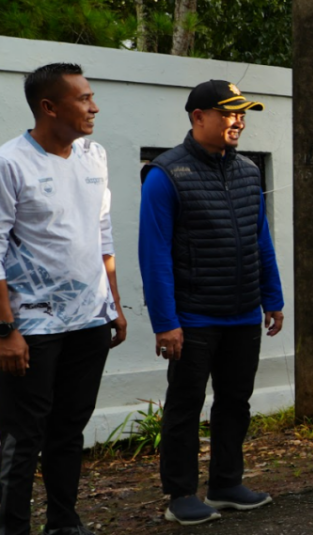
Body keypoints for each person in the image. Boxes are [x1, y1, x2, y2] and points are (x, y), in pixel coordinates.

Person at [139, 80, 283, 524]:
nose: (238, 120)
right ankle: (179, 494)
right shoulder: (166, 174)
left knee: (235, 402)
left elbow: (260, 238)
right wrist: (166, 321)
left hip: (242, 312)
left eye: (242, 113)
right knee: (185, 406)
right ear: (198, 116)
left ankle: (225, 483)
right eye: (228, 112)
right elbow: (154, 252)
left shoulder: (246, 171)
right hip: (194, 316)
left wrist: (272, 296)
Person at [0, 64, 127, 535]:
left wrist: (113, 306)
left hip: (89, 321)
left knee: (69, 430)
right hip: (31, 327)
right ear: (49, 107)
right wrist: (5, 330)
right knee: (21, 436)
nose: (93, 107)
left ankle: (63, 523)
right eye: (83, 99)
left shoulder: (94, 156)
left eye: (92, 97)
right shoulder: (10, 162)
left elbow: (102, 234)